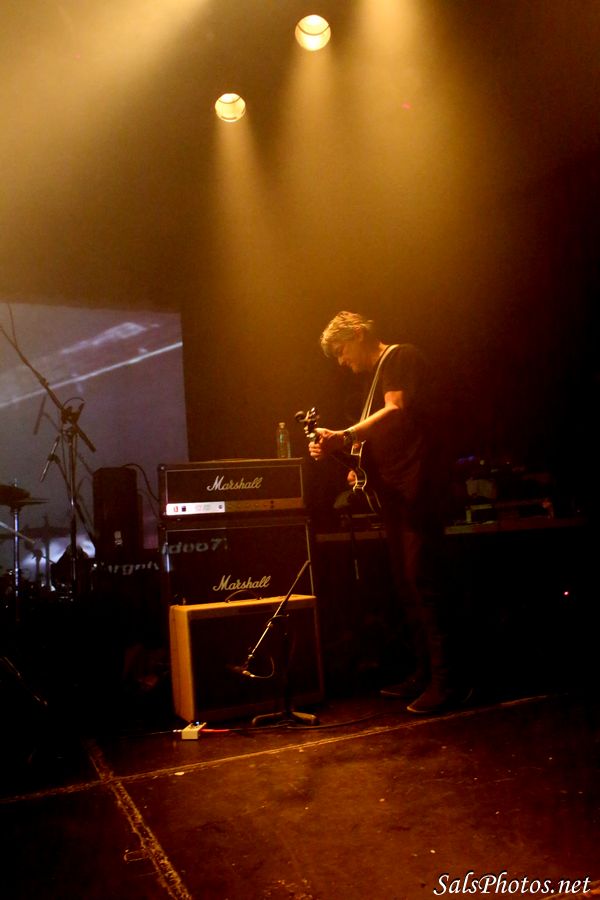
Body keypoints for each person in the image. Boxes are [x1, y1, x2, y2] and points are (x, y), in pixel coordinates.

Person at [308, 310, 471, 715]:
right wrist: (349, 458)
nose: (343, 362)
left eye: (342, 351)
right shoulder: (374, 381)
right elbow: (383, 438)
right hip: (397, 496)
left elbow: (396, 409)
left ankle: (450, 681)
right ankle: (425, 673)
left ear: (359, 334)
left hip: (420, 491)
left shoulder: (400, 357)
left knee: (423, 581)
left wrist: (344, 434)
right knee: (406, 584)